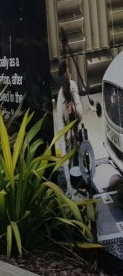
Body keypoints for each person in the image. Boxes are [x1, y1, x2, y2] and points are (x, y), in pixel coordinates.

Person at [54, 60, 84, 188]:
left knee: (72, 153)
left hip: (72, 128)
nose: (70, 73)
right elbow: (79, 113)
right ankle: (71, 182)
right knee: (71, 154)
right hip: (68, 130)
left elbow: (78, 108)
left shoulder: (70, 87)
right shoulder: (63, 94)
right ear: (68, 73)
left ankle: (72, 181)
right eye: (69, 71)